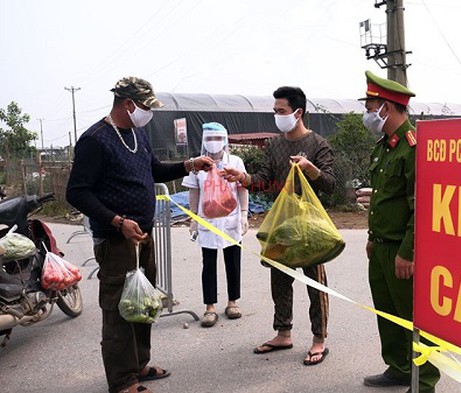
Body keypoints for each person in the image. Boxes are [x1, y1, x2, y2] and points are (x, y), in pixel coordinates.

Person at [66, 77, 214, 393]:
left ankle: (139, 365)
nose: (149, 112)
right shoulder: (96, 139)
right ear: (129, 104)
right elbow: (77, 192)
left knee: (142, 304)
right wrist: (117, 221)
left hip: (142, 236)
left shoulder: (137, 134)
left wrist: (190, 165)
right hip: (117, 239)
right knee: (119, 309)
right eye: (146, 106)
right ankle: (122, 381)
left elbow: (155, 171)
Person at [223, 86, 336, 366]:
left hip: (311, 227)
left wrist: (311, 169)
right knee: (280, 280)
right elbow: (263, 179)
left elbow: (332, 185)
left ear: (298, 113)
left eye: (281, 111)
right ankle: (283, 333)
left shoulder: (318, 144)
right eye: (274, 111)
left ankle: (319, 339)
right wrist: (244, 178)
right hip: (281, 223)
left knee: (315, 283)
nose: (277, 116)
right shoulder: (274, 145)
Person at [359, 71, 440, 393]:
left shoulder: (413, 148)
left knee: (415, 319)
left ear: (387, 108)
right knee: (388, 314)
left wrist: (409, 251)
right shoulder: (384, 148)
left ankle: (425, 382)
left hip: (401, 250)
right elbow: (382, 199)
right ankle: (399, 367)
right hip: (380, 247)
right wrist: (371, 236)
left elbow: (422, 208)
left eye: (370, 105)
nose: (367, 111)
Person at [182, 121, 249, 327]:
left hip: (230, 219)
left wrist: (244, 214)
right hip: (208, 220)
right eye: (209, 139)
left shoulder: (235, 162)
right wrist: (193, 218)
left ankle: (233, 302)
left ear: (225, 140)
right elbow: (194, 191)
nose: (214, 143)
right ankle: (209, 307)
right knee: (208, 264)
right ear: (203, 140)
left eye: (218, 138)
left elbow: (242, 188)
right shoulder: (197, 165)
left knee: (233, 261)